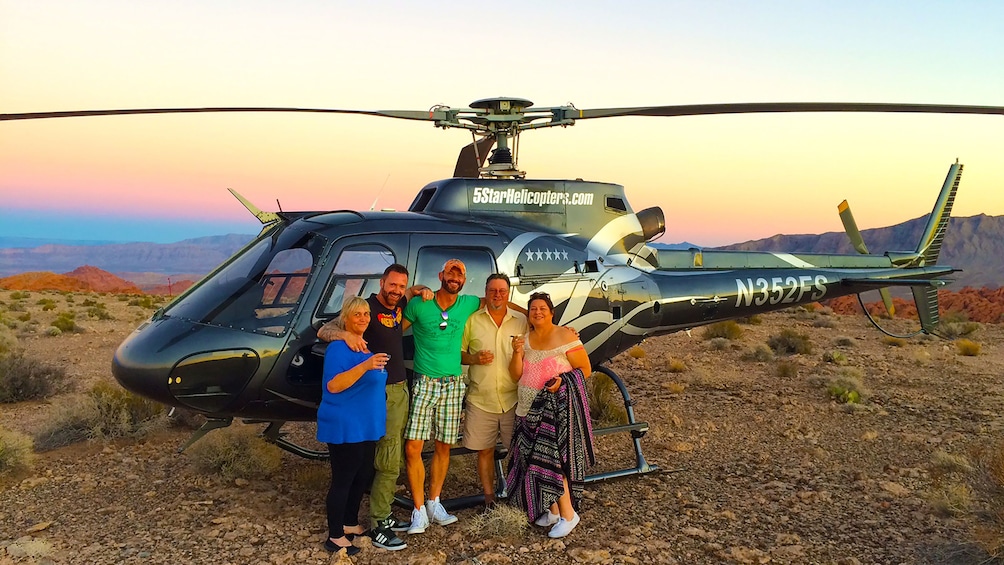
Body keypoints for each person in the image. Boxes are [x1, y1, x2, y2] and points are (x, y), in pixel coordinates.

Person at [316, 264, 430, 551]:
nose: (397, 291)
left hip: (393, 392)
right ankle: (380, 520)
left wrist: (420, 290)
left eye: (402, 286)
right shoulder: (364, 307)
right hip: (376, 397)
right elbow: (324, 329)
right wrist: (346, 335)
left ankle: (357, 519)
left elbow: (409, 292)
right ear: (382, 282)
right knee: (385, 460)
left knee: (373, 460)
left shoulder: (399, 301)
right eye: (392, 285)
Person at [401, 259, 483, 534]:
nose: (455, 277)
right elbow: (392, 329)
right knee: (413, 446)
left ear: (464, 280)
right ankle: (418, 510)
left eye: (460, 274)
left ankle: (434, 502)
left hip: (453, 384)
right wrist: (411, 290)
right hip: (425, 383)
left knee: (443, 446)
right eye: (451, 272)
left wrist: (550, 323)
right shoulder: (419, 304)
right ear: (441, 275)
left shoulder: (469, 303)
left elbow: (498, 302)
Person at [506, 291, 595, 539]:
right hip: (526, 411)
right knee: (535, 462)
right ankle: (553, 511)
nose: (537, 312)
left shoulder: (565, 335)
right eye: (533, 308)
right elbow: (515, 375)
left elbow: (585, 370)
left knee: (552, 462)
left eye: (543, 308)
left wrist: (561, 382)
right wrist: (516, 352)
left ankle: (569, 515)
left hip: (555, 411)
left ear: (551, 312)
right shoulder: (525, 339)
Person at [317, 296, 390, 556]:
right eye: (357, 314)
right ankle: (335, 536)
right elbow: (334, 385)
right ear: (346, 318)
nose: (363, 318)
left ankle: (349, 522)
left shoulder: (363, 346)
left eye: (366, 314)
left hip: (366, 426)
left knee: (362, 476)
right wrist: (366, 366)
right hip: (345, 425)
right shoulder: (339, 348)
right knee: (343, 479)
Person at [460, 273, 527, 509]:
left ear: (508, 294)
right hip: (481, 398)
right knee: (484, 451)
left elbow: (542, 339)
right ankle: (490, 500)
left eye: (502, 291)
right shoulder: (471, 320)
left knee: (518, 451)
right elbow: (458, 353)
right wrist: (474, 358)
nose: (497, 295)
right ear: (485, 292)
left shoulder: (521, 321)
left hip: (513, 399)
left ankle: (520, 496)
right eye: (492, 291)